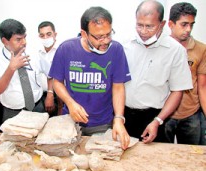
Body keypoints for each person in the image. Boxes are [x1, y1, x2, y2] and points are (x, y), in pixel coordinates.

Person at [49, 6, 131, 150]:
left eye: (108, 34)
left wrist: (118, 118)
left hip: (102, 123)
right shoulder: (66, 49)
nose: (105, 41)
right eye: (99, 37)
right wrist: (70, 103)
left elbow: (118, 86)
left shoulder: (116, 50)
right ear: (84, 34)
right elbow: (57, 82)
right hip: (70, 121)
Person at [123, 0, 193, 144]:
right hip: (124, 115)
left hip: (153, 118)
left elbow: (177, 90)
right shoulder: (125, 45)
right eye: (139, 25)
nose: (143, 31)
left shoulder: (175, 50)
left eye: (149, 26)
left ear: (162, 24)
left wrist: (158, 120)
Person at [0, 19, 50, 121]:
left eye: (25, 37)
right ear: (5, 41)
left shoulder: (34, 53)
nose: (24, 42)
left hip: (37, 108)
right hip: (13, 114)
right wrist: (11, 69)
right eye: (18, 39)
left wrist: (50, 94)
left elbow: (51, 74)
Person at [166, 2, 206, 145]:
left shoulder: (201, 49)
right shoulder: (160, 48)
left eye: (191, 24)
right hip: (165, 114)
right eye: (184, 24)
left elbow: (202, 87)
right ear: (171, 24)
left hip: (191, 114)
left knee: (193, 155)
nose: (188, 29)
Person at [38, 21, 63, 116]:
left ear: (55, 34)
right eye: (42, 35)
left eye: (48, 34)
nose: (45, 38)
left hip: (61, 95)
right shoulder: (38, 52)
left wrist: (51, 93)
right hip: (44, 95)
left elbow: (56, 75)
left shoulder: (62, 49)